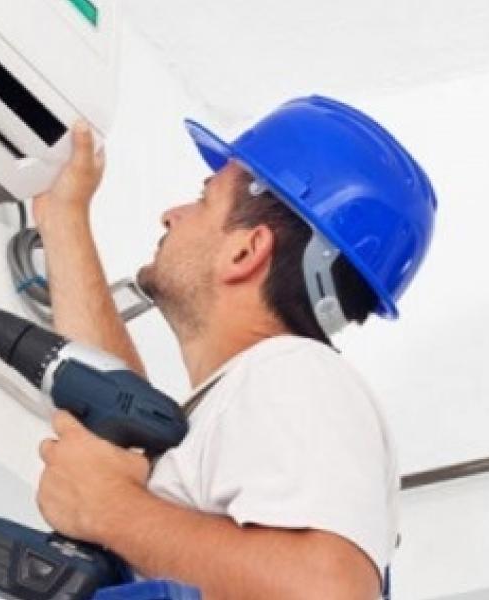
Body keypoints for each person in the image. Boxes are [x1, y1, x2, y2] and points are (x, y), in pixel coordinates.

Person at [31, 96, 436, 599]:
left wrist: (110, 508)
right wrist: (63, 215)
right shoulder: (246, 396)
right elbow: (119, 406)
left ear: (246, 250)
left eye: (203, 200)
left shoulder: (295, 373)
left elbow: (329, 591)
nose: (171, 215)